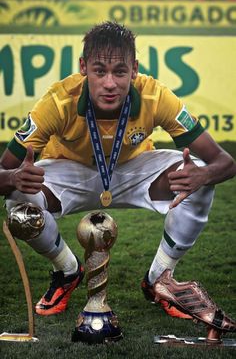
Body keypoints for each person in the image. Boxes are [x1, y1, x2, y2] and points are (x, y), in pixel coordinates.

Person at [0, 21, 235, 332]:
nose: (109, 83)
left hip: (133, 171)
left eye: (120, 72)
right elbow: (3, 171)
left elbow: (225, 162)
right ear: (84, 67)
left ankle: (158, 279)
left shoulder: (156, 96)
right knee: (18, 202)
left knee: (199, 177)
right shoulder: (57, 102)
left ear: (134, 69)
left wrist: (203, 174)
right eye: (99, 71)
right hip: (73, 173)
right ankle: (68, 271)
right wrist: (15, 179)